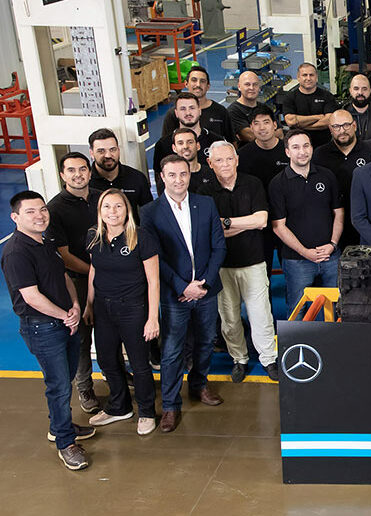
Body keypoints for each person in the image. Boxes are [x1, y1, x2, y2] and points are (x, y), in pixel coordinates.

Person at [2, 191, 92, 470]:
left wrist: (75, 305)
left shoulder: (46, 242)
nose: (39, 215)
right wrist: (65, 316)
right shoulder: (16, 252)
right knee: (59, 385)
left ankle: (59, 426)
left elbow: (63, 276)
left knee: (65, 379)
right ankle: (65, 443)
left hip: (64, 322)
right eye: (30, 211)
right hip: (43, 328)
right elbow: (31, 297)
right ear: (15, 217)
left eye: (42, 209)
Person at [140, 155, 226, 433]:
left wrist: (203, 284)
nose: (178, 180)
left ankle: (199, 385)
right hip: (174, 295)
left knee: (206, 341)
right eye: (172, 175)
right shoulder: (150, 212)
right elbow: (155, 257)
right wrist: (182, 287)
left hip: (205, 291)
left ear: (190, 175)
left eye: (183, 174)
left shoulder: (206, 203)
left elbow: (219, 247)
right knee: (172, 350)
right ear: (162, 177)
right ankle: (170, 404)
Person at [82, 189, 160, 435]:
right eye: (107, 206)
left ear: (127, 210)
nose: (112, 212)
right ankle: (119, 407)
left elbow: (153, 281)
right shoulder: (93, 236)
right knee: (106, 360)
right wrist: (89, 304)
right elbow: (94, 270)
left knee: (139, 363)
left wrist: (152, 318)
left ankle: (146, 411)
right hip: (103, 308)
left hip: (133, 308)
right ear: (100, 211)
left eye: (118, 206)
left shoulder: (141, 237)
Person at [199, 142, 279, 383]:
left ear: (236, 160)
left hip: (253, 262)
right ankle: (239, 359)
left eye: (229, 159)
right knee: (230, 318)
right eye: (218, 160)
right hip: (221, 266)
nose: (225, 164)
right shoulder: (204, 192)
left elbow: (261, 221)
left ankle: (269, 358)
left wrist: (225, 223)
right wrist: (245, 223)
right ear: (210, 163)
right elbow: (209, 231)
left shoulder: (253, 184)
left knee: (261, 315)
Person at [45, 153, 101, 414]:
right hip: (79, 281)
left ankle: (115, 373)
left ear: (89, 172)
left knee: (110, 330)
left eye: (82, 169)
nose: (78, 174)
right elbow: (64, 256)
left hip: (108, 279)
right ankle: (85, 386)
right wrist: (95, 272)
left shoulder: (102, 198)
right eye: (71, 170)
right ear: (62, 175)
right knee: (81, 338)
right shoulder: (55, 209)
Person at [269, 130, 343, 311]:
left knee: (335, 309)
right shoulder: (277, 184)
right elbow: (278, 227)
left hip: (330, 256)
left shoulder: (327, 176)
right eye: (296, 147)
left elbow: (339, 213)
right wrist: (305, 252)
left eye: (306, 146)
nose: (302, 152)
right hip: (297, 261)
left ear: (312, 148)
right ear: (287, 152)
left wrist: (333, 244)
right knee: (297, 310)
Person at [312, 109, 371, 250]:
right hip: (331, 224)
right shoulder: (319, 155)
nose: (342, 131)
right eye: (336, 127)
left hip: (365, 223)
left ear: (354, 126)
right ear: (330, 129)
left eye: (346, 125)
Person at [237, 105, 290, 276]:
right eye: (257, 123)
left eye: (266, 122)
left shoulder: (288, 151)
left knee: (291, 269)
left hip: (287, 219)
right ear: (251, 127)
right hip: (258, 223)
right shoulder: (242, 156)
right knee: (261, 272)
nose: (262, 128)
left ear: (275, 125)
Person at [88, 128, 153, 218]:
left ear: (118, 150)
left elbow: (150, 214)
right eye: (101, 151)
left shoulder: (137, 178)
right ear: (91, 153)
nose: (108, 155)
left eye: (112, 149)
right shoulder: (86, 182)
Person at [152, 92, 224, 170]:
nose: (188, 113)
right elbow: (159, 174)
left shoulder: (217, 142)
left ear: (199, 110)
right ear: (176, 113)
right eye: (183, 109)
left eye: (192, 108)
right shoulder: (163, 145)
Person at [160, 66, 233, 142]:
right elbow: (166, 143)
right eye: (194, 80)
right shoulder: (173, 114)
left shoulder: (220, 111)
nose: (198, 84)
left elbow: (231, 141)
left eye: (202, 81)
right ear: (186, 84)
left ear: (208, 86)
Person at [281, 62, 338, 147]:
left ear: (316, 77)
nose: (308, 78)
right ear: (298, 77)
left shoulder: (327, 96)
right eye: (304, 75)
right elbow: (291, 121)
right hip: (298, 146)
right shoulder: (290, 97)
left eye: (311, 75)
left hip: (324, 145)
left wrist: (300, 126)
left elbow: (328, 121)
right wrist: (317, 117)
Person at [226, 71, 282, 144]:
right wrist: (271, 133)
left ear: (259, 87)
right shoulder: (233, 111)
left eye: (255, 84)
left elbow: (280, 133)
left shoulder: (264, 107)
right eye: (247, 84)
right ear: (239, 86)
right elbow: (250, 136)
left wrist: (261, 135)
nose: (251, 88)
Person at [169, 128, 217, 193]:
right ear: (174, 148)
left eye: (190, 142)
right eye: (180, 143)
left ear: (198, 146)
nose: (185, 146)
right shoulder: (169, 178)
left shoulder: (212, 174)